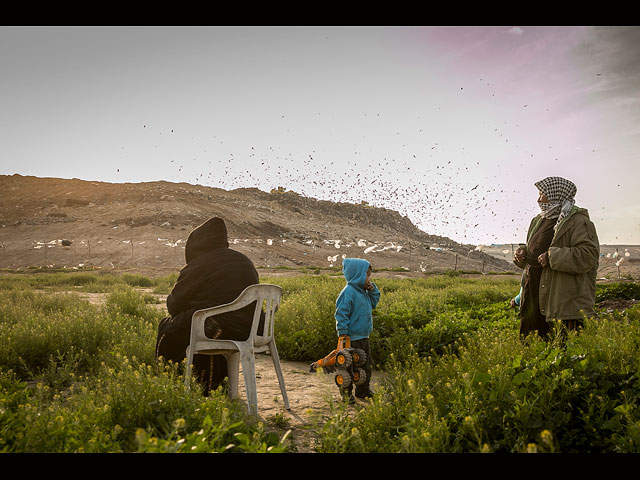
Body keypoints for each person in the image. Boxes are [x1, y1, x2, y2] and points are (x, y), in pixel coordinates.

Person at [155, 217, 264, 395]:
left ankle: (180, 387)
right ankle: (218, 386)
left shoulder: (200, 264)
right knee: (200, 321)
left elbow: (174, 306)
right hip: (252, 330)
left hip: (222, 329)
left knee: (169, 328)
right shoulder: (245, 261)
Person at [513, 176, 599, 339]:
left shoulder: (577, 221)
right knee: (532, 345)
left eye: (542, 194)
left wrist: (552, 257)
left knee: (559, 347)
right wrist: (522, 253)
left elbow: (588, 255)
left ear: (555, 195)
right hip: (532, 295)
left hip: (561, 299)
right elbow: (535, 248)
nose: (539, 200)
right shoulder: (538, 220)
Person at [334, 258, 381, 403]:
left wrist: (373, 290)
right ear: (357, 275)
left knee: (365, 366)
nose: (368, 279)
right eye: (367, 275)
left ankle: (363, 390)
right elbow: (341, 313)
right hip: (350, 338)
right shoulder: (348, 292)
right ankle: (346, 394)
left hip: (364, 337)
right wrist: (342, 331)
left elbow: (374, 303)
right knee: (348, 367)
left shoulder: (364, 292)